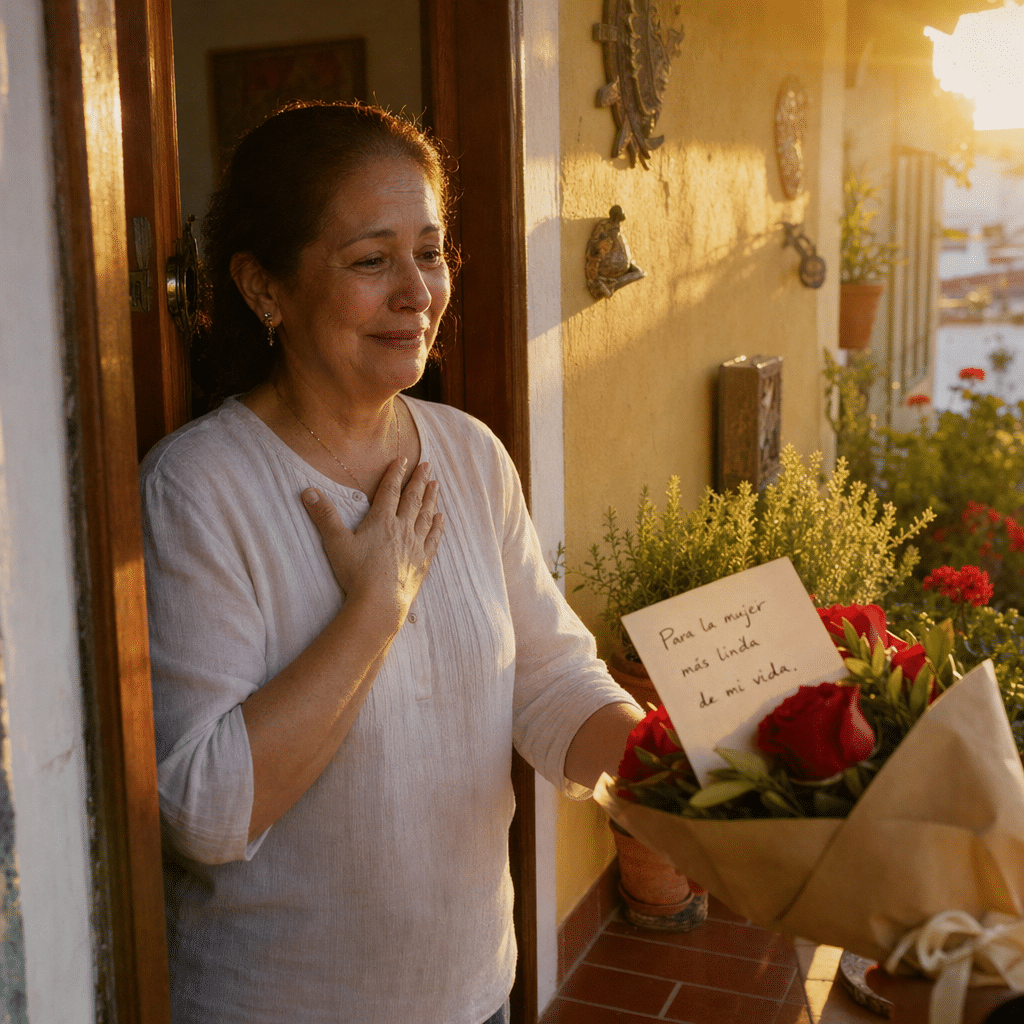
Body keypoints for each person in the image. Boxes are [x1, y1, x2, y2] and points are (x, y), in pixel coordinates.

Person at [139, 101, 643, 1024]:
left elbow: (549, 676)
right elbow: (205, 811)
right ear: (265, 289)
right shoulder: (198, 487)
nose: (417, 291)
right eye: (371, 260)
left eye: (431, 251)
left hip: (473, 995)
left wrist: (665, 768)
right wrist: (377, 607)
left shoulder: (470, 455)